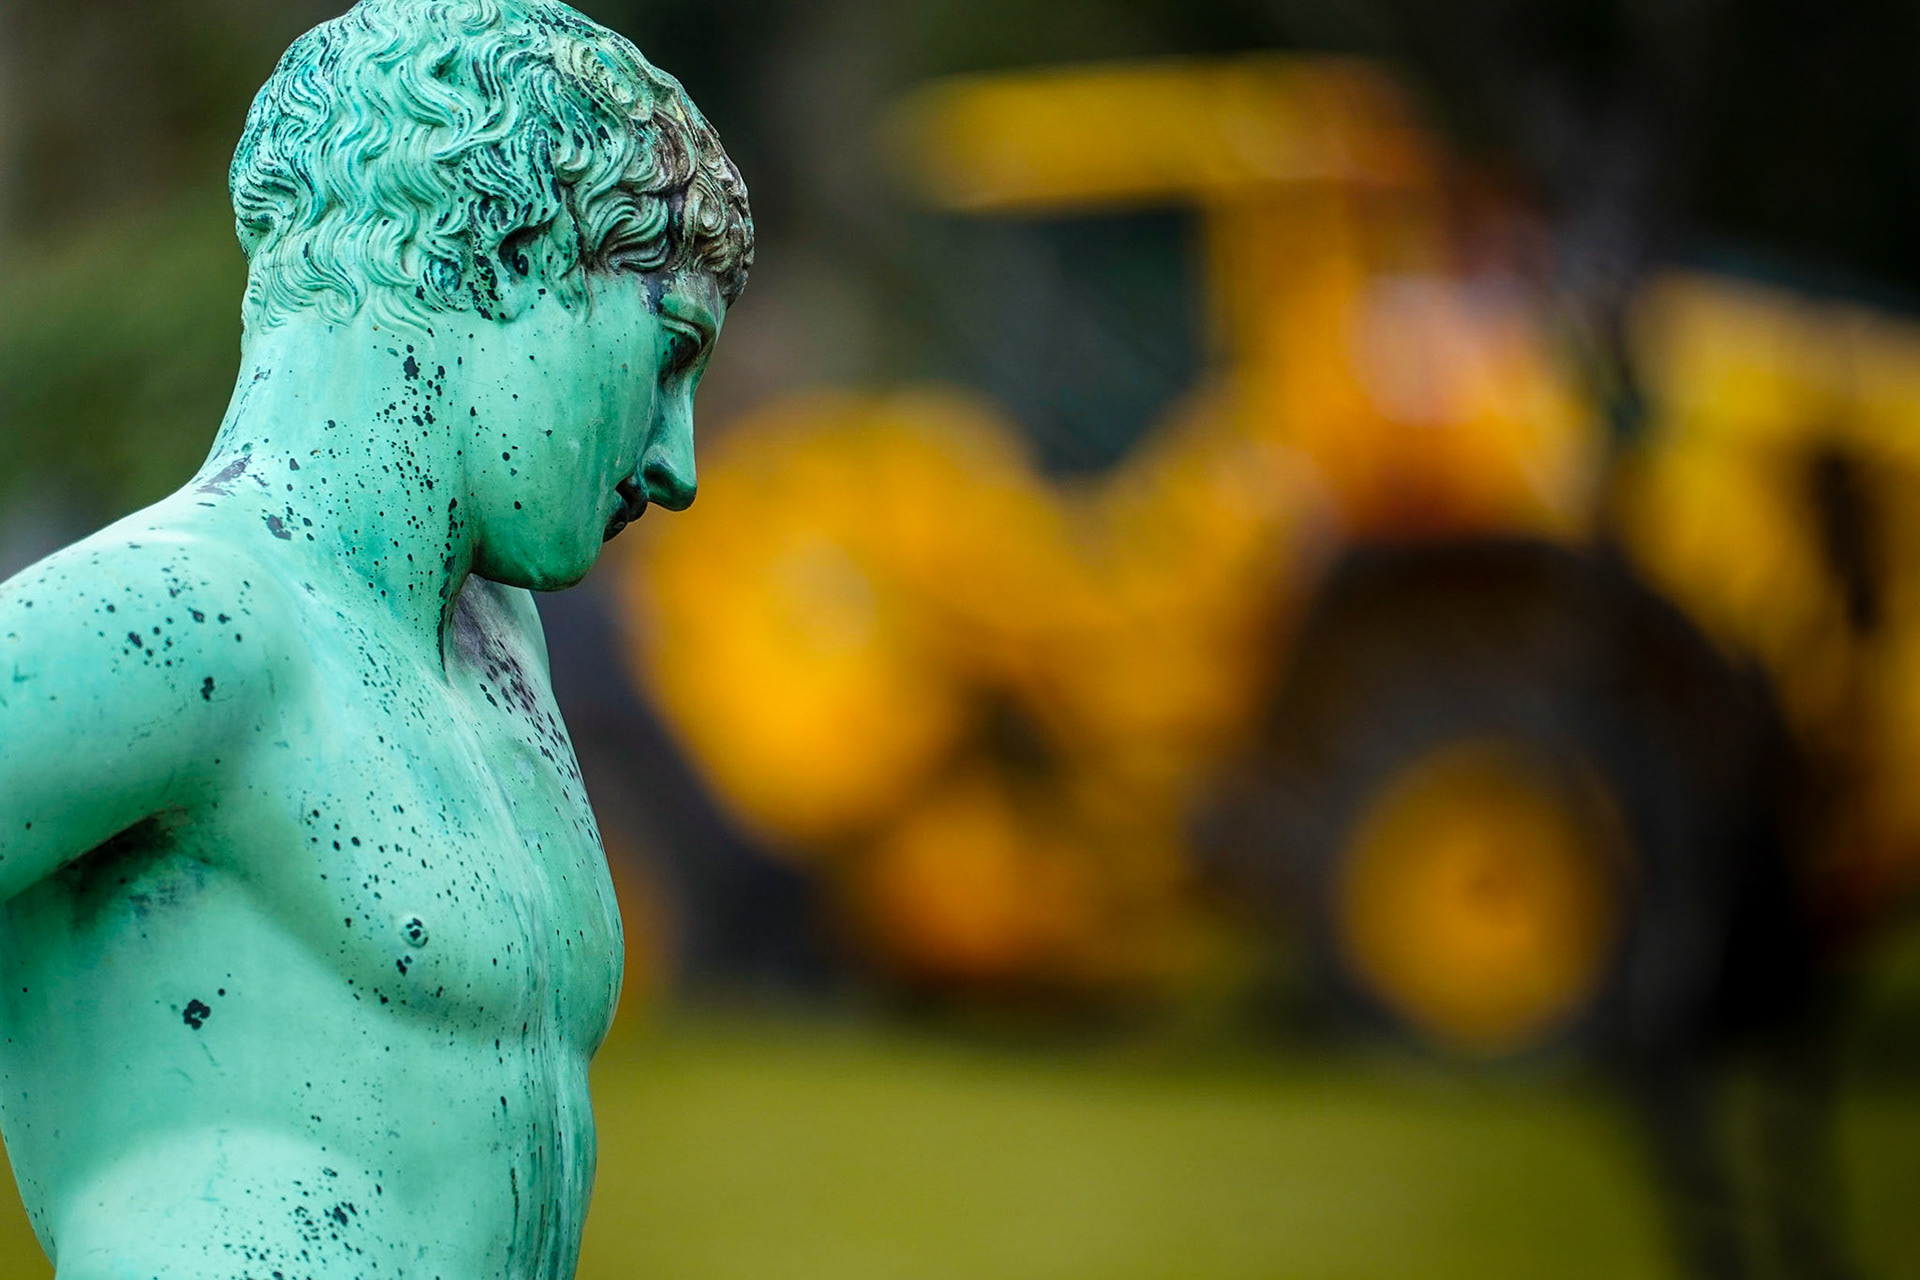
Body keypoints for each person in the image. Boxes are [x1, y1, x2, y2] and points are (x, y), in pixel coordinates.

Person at [0, 1, 750, 1274]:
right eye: (667, 352)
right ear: (508, 257)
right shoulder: (178, 624)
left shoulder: (497, 644)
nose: (676, 464)